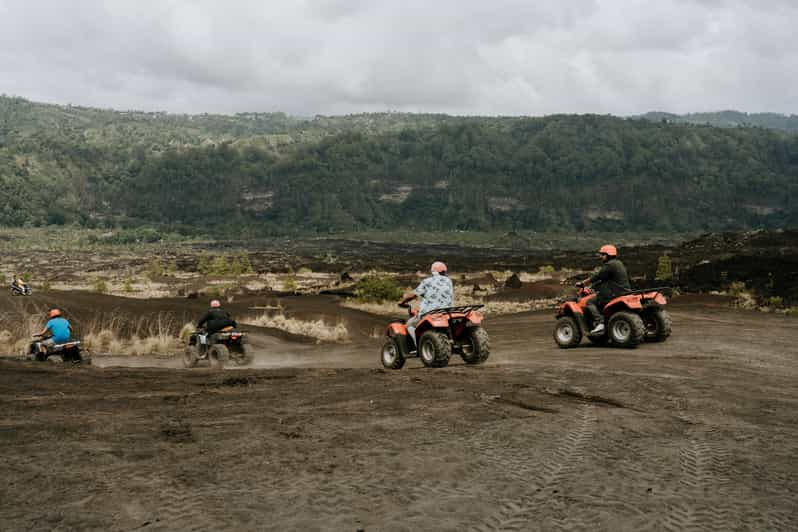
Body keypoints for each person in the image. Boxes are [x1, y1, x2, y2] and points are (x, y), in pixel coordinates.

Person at [398, 261, 454, 348]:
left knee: (409, 324)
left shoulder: (427, 281)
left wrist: (403, 302)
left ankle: (418, 346)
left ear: (433, 271)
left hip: (430, 313)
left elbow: (413, 295)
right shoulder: (449, 281)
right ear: (444, 271)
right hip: (447, 312)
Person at [578, 245, 631, 335]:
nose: (600, 257)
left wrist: (583, 283)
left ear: (608, 255)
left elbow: (597, 276)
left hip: (613, 294)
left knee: (589, 302)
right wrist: (592, 287)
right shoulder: (619, 263)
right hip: (624, 291)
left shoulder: (609, 265)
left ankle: (600, 323)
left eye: (602, 254)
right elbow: (604, 280)